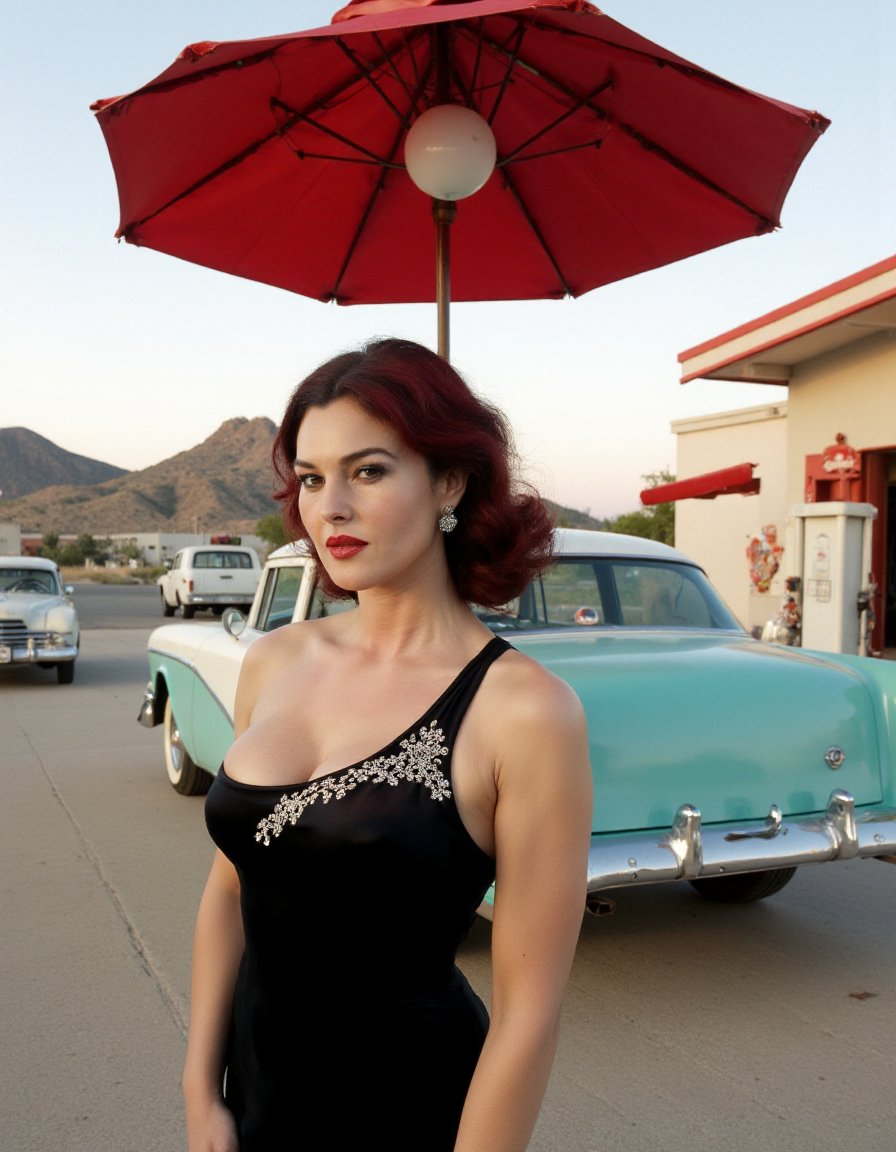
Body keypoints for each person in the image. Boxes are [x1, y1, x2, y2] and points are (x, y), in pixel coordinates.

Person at [183, 337, 593, 1152]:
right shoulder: (275, 659)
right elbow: (232, 889)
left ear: (449, 480)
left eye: (368, 471)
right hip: (252, 1093)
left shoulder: (524, 712)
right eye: (310, 477)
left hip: (412, 1110)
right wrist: (200, 1092)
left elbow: (528, 1009)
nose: (329, 506)